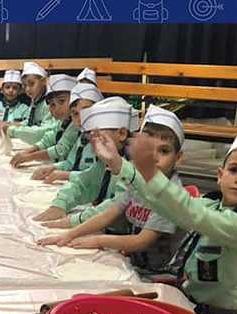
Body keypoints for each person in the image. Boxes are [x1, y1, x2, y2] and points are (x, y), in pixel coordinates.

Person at [91, 121, 237, 314]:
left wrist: (148, 171)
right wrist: (119, 164)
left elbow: (192, 213)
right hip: (195, 302)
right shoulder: (211, 204)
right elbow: (165, 204)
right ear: (220, 175)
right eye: (234, 170)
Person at [39, 105, 188, 276]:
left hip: (157, 274)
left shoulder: (171, 196)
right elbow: (110, 213)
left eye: (164, 151)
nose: (153, 157)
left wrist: (98, 240)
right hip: (132, 263)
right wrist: (70, 234)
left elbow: (142, 241)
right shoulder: (138, 181)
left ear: (178, 158)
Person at [33, 96, 138, 224]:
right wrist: (60, 204)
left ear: (122, 134)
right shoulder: (103, 163)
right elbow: (83, 182)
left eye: (98, 135)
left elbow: (115, 206)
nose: (93, 143)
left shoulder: (134, 168)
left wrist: (75, 220)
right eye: (89, 136)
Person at [32, 82, 104, 183]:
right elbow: (71, 163)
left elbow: (98, 176)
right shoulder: (83, 137)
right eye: (75, 113)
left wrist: (66, 175)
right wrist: (53, 167)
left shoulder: (105, 141)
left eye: (86, 112)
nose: (80, 119)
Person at [9, 74, 77, 168]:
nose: (56, 108)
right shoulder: (63, 121)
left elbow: (61, 149)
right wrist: (28, 151)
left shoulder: (76, 124)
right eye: (52, 104)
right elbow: (50, 138)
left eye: (61, 101)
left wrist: (29, 157)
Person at [3, 62, 55, 144]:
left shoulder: (50, 103)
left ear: (43, 81)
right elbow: (29, 122)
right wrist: (15, 124)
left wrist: (13, 131)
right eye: (24, 85)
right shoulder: (35, 101)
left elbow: (44, 132)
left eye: (31, 84)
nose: (27, 89)